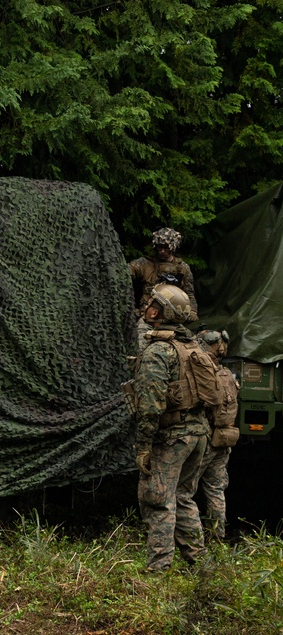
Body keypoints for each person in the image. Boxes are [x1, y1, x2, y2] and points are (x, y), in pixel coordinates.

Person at [133, 283, 210, 571]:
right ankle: (199, 565)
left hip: (171, 438)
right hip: (198, 435)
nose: (147, 306)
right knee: (184, 497)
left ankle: (158, 570)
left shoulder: (158, 351)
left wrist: (143, 446)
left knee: (157, 500)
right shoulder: (193, 346)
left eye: (154, 303)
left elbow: (149, 406)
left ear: (164, 312)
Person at [196, 329, 240, 541]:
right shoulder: (228, 375)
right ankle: (216, 538)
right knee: (215, 491)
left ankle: (191, 540)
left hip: (208, 439)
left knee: (183, 492)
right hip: (224, 440)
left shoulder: (207, 375)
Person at [129, 228, 198, 351]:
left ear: (173, 247)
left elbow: (189, 293)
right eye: (159, 247)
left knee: (188, 344)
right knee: (140, 342)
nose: (162, 251)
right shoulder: (145, 264)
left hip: (173, 318)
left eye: (166, 248)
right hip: (148, 317)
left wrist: (192, 311)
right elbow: (127, 271)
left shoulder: (183, 268)